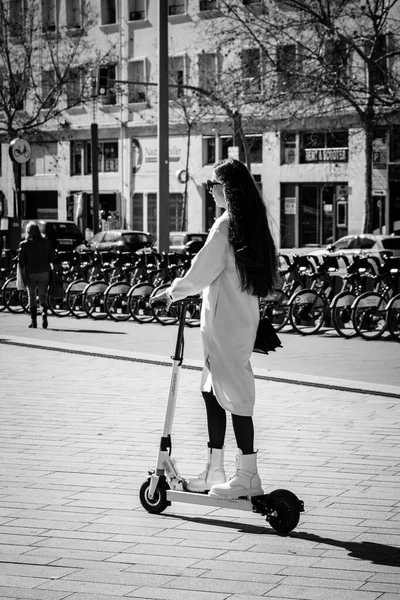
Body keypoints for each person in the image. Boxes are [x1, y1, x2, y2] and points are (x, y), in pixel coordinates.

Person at [153, 158, 278, 499]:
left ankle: (247, 477)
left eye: (213, 184)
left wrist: (170, 293)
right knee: (212, 393)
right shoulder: (248, 224)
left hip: (226, 328)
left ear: (228, 189)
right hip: (236, 322)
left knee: (237, 399)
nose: (210, 190)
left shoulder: (225, 227)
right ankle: (215, 469)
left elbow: (200, 270)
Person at [19, 221, 55, 329]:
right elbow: (52, 258)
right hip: (44, 272)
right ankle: (44, 312)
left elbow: (21, 262)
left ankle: (33, 321)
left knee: (32, 296)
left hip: (30, 273)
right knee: (43, 295)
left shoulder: (24, 244)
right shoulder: (45, 242)